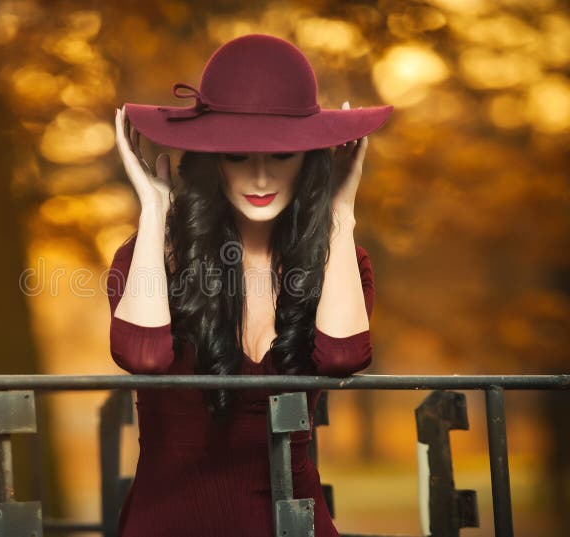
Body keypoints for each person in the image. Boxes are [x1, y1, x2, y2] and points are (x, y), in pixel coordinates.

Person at [106, 34, 393, 537]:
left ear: (308, 158)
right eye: (238, 156)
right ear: (210, 160)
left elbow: (343, 356)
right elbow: (143, 356)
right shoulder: (150, 256)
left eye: (280, 156)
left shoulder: (343, 259)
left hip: (292, 522)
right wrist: (154, 213)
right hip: (171, 520)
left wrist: (341, 215)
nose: (260, 178)